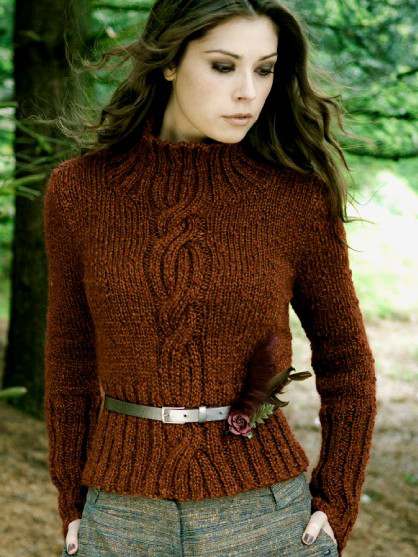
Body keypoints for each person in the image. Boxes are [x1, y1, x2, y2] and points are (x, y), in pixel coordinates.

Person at [43, 1, 377, 556]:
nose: (248, 92)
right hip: (120, 519)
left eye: (264, 70)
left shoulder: (295, 196)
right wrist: (73, 502)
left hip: (266, 519)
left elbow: (346, 360)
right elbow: (68, 359)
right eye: (224, 66)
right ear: (169, 62)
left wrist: (337, 499)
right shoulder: (80, 191)